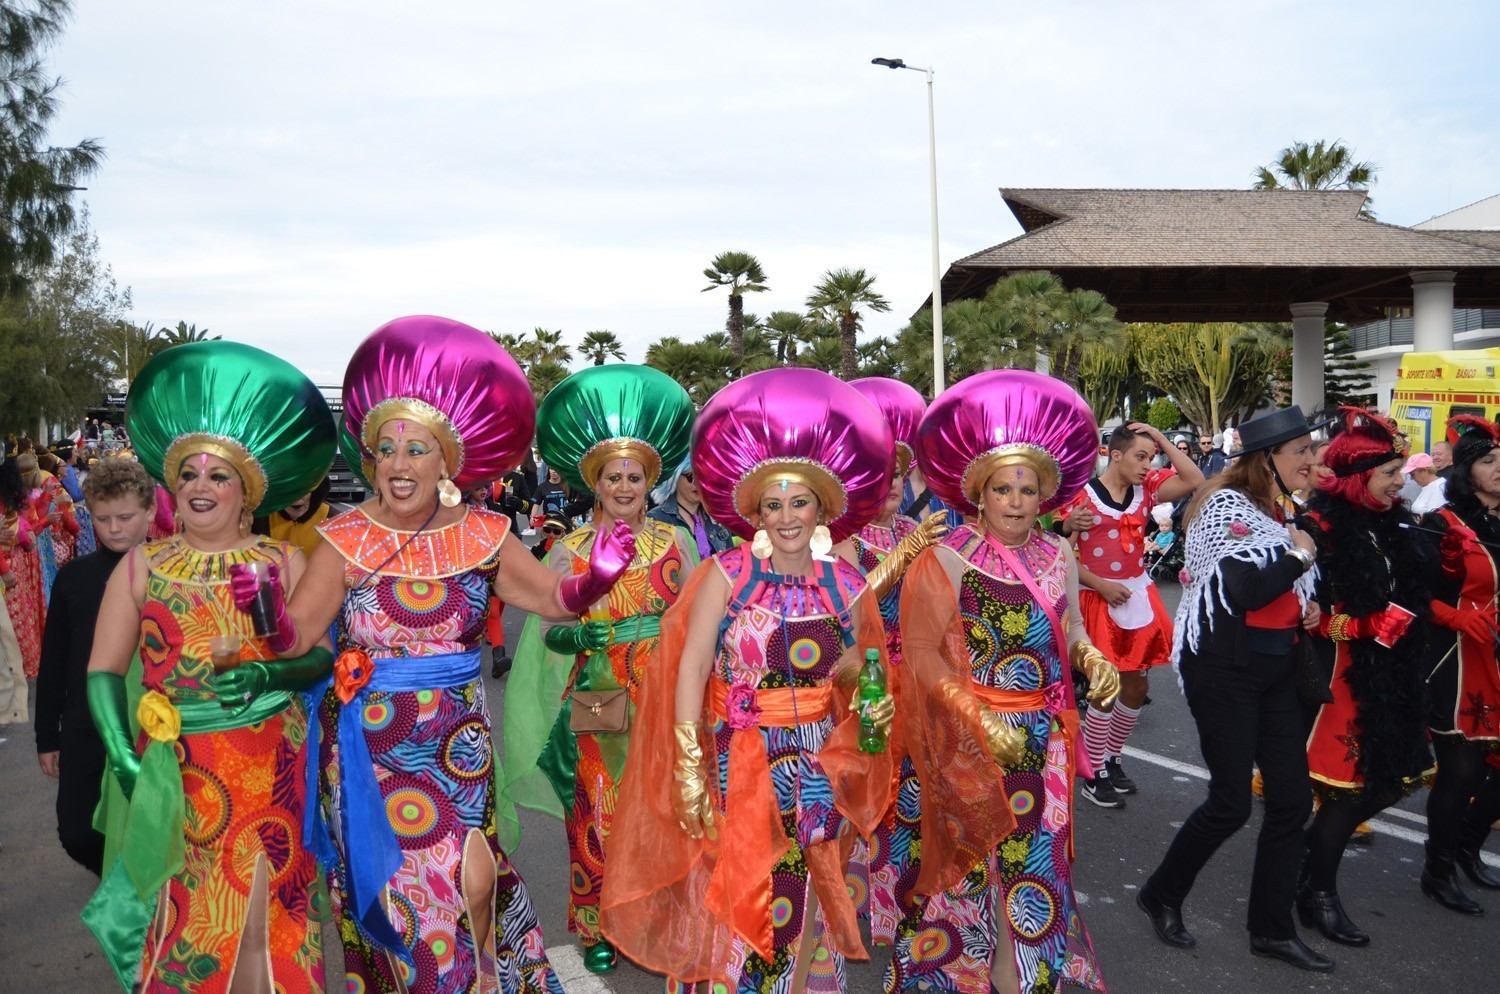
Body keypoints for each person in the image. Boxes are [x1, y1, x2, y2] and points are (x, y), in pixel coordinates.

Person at [285, 316, 621, 994]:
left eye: (416, 449)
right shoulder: (344, 539)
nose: (398, 464)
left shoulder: (484, 533)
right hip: (371, 749)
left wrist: (596, 580)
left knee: (473, 880)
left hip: (457, 746)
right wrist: (261, 614)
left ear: (446, 463)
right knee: (400, 900)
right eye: (386, 449)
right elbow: (295, 638)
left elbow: (553, 599)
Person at [600, 367, 897, 993]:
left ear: (822, 507)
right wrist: (688, 766)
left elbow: (859, 666)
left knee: (809, 891)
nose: (786, 517)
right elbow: (691, 666)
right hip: (739, 762)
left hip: (818, 765)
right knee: (742, 895)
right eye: (773, 504)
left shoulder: (846, 583)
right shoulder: (725, 574)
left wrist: (867, 702)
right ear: (755, 512)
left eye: (799, 502)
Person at [83, 341, 337, 992]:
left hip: (271, 769)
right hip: (174, 773)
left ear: (245, 492)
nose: (201, 486)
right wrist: (124, 757)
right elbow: (103, 672)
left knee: (265, 919)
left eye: (218, 476)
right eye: (189, 474)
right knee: (185, 921)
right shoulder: (141, 566)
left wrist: (270, 674)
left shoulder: (284, 562)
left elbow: (320, 658)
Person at [886, 369, 1120, 993]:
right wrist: (978, 718)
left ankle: (1022, 978)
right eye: (1002, 489)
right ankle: (952, 975)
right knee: (967, 868)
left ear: (1045, 496)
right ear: (979, 494)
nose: (1015, 502)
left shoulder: (1059, 553)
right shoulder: (947, 555)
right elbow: (921, 654)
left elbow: (1069, 626)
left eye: (1027, 489)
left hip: (1043, 739)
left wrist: (1092, 658)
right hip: (968, 738)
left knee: (1033, 864)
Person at [505, 363, 697, 973]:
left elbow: (696, 619)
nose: (624, 486)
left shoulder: (677, 544)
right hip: (596, 691)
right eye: (613, 476)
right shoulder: (571, 550)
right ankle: (600, 924)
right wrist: (581, 634)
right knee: (595, 806)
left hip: (663, 690)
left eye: (634, 476)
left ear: (650, 483)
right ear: (596, 483)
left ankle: (657, 919)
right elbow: (550, 630)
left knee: (662, 805)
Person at [1139, 405, 1333, 973]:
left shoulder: (1280, 509)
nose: (1311, 460)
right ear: (1266, 459)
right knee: (1230, 803)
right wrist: (1300, 555)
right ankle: (1161, 893)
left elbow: (1277, 587)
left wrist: (1305, 604)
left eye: (1311, 449)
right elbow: (1246, 590)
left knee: (1291, 801)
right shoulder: (1225, 507)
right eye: (1301, 451)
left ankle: (1271, 930)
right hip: (1224, 671)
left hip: (1277, 668)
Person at [1299, 409, 1435, 946]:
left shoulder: (1393, 522)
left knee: (1393, 781)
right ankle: (1319, 893)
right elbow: (1304, 613)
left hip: (1395, 672)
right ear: (1358, 478)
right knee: (1349, 793)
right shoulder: (1322, 529)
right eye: (1389, 474)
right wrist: (1359, 625)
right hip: (1344, 678)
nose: (1400, 483)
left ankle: (1308, 857)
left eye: (1400, 473)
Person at [836, 377, 947, 946]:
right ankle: (866, 898)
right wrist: (906, 554)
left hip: (920, 678)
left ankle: (906, 894)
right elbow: (851, 604)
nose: (894, 486)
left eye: (900, 475)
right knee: (871, 787)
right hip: (871, 678)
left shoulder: (914, 527)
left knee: (915, 791)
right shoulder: (844, 539)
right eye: (882, 476)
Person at [1060, 421, 1203, 806]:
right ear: (1115, 454)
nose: (1147, 464)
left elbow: (1193, 478)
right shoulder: (1082, 495)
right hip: (1096, 596)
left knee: (1137, 686)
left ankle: (1112, 758)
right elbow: (1062, 553)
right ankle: (1093, 773)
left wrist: (1161, 438)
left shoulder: (1148, 488)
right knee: (1105, 686)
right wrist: (1100, 583)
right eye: (1140, 456)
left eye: (1150, 457)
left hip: (1137, 593)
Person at [34, 458, 155, 876]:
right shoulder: (73, 578)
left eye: (126, 517)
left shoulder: (168, 573)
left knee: (151, 826)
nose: (114, 528)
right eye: (103, 519)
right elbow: (54, 662)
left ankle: (141, 895)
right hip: (85, 726)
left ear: (151, 511)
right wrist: (46, 736)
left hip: (151, 728)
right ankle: (117, 882)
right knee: (77, 833)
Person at [1416, 414, 1500, 915]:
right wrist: (1457, 617)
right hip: (1458, 656)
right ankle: (1438, 870)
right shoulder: (1442, 524)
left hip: (1496, 653)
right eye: (1489, 461)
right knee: (1462, 770)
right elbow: (1413, 594)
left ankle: (1467, 847)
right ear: (1466, 470)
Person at [649, 456, 734, 559]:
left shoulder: (717, 517)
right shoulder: (656, 519)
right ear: (675, 477)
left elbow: (732, 563)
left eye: (704, 477)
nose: (699, 484)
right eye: (691, 477)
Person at [251, 476, 332, 558]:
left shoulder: (331, 518)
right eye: (289, 491)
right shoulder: (259, 517)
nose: (297, 499)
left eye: (303, 491)